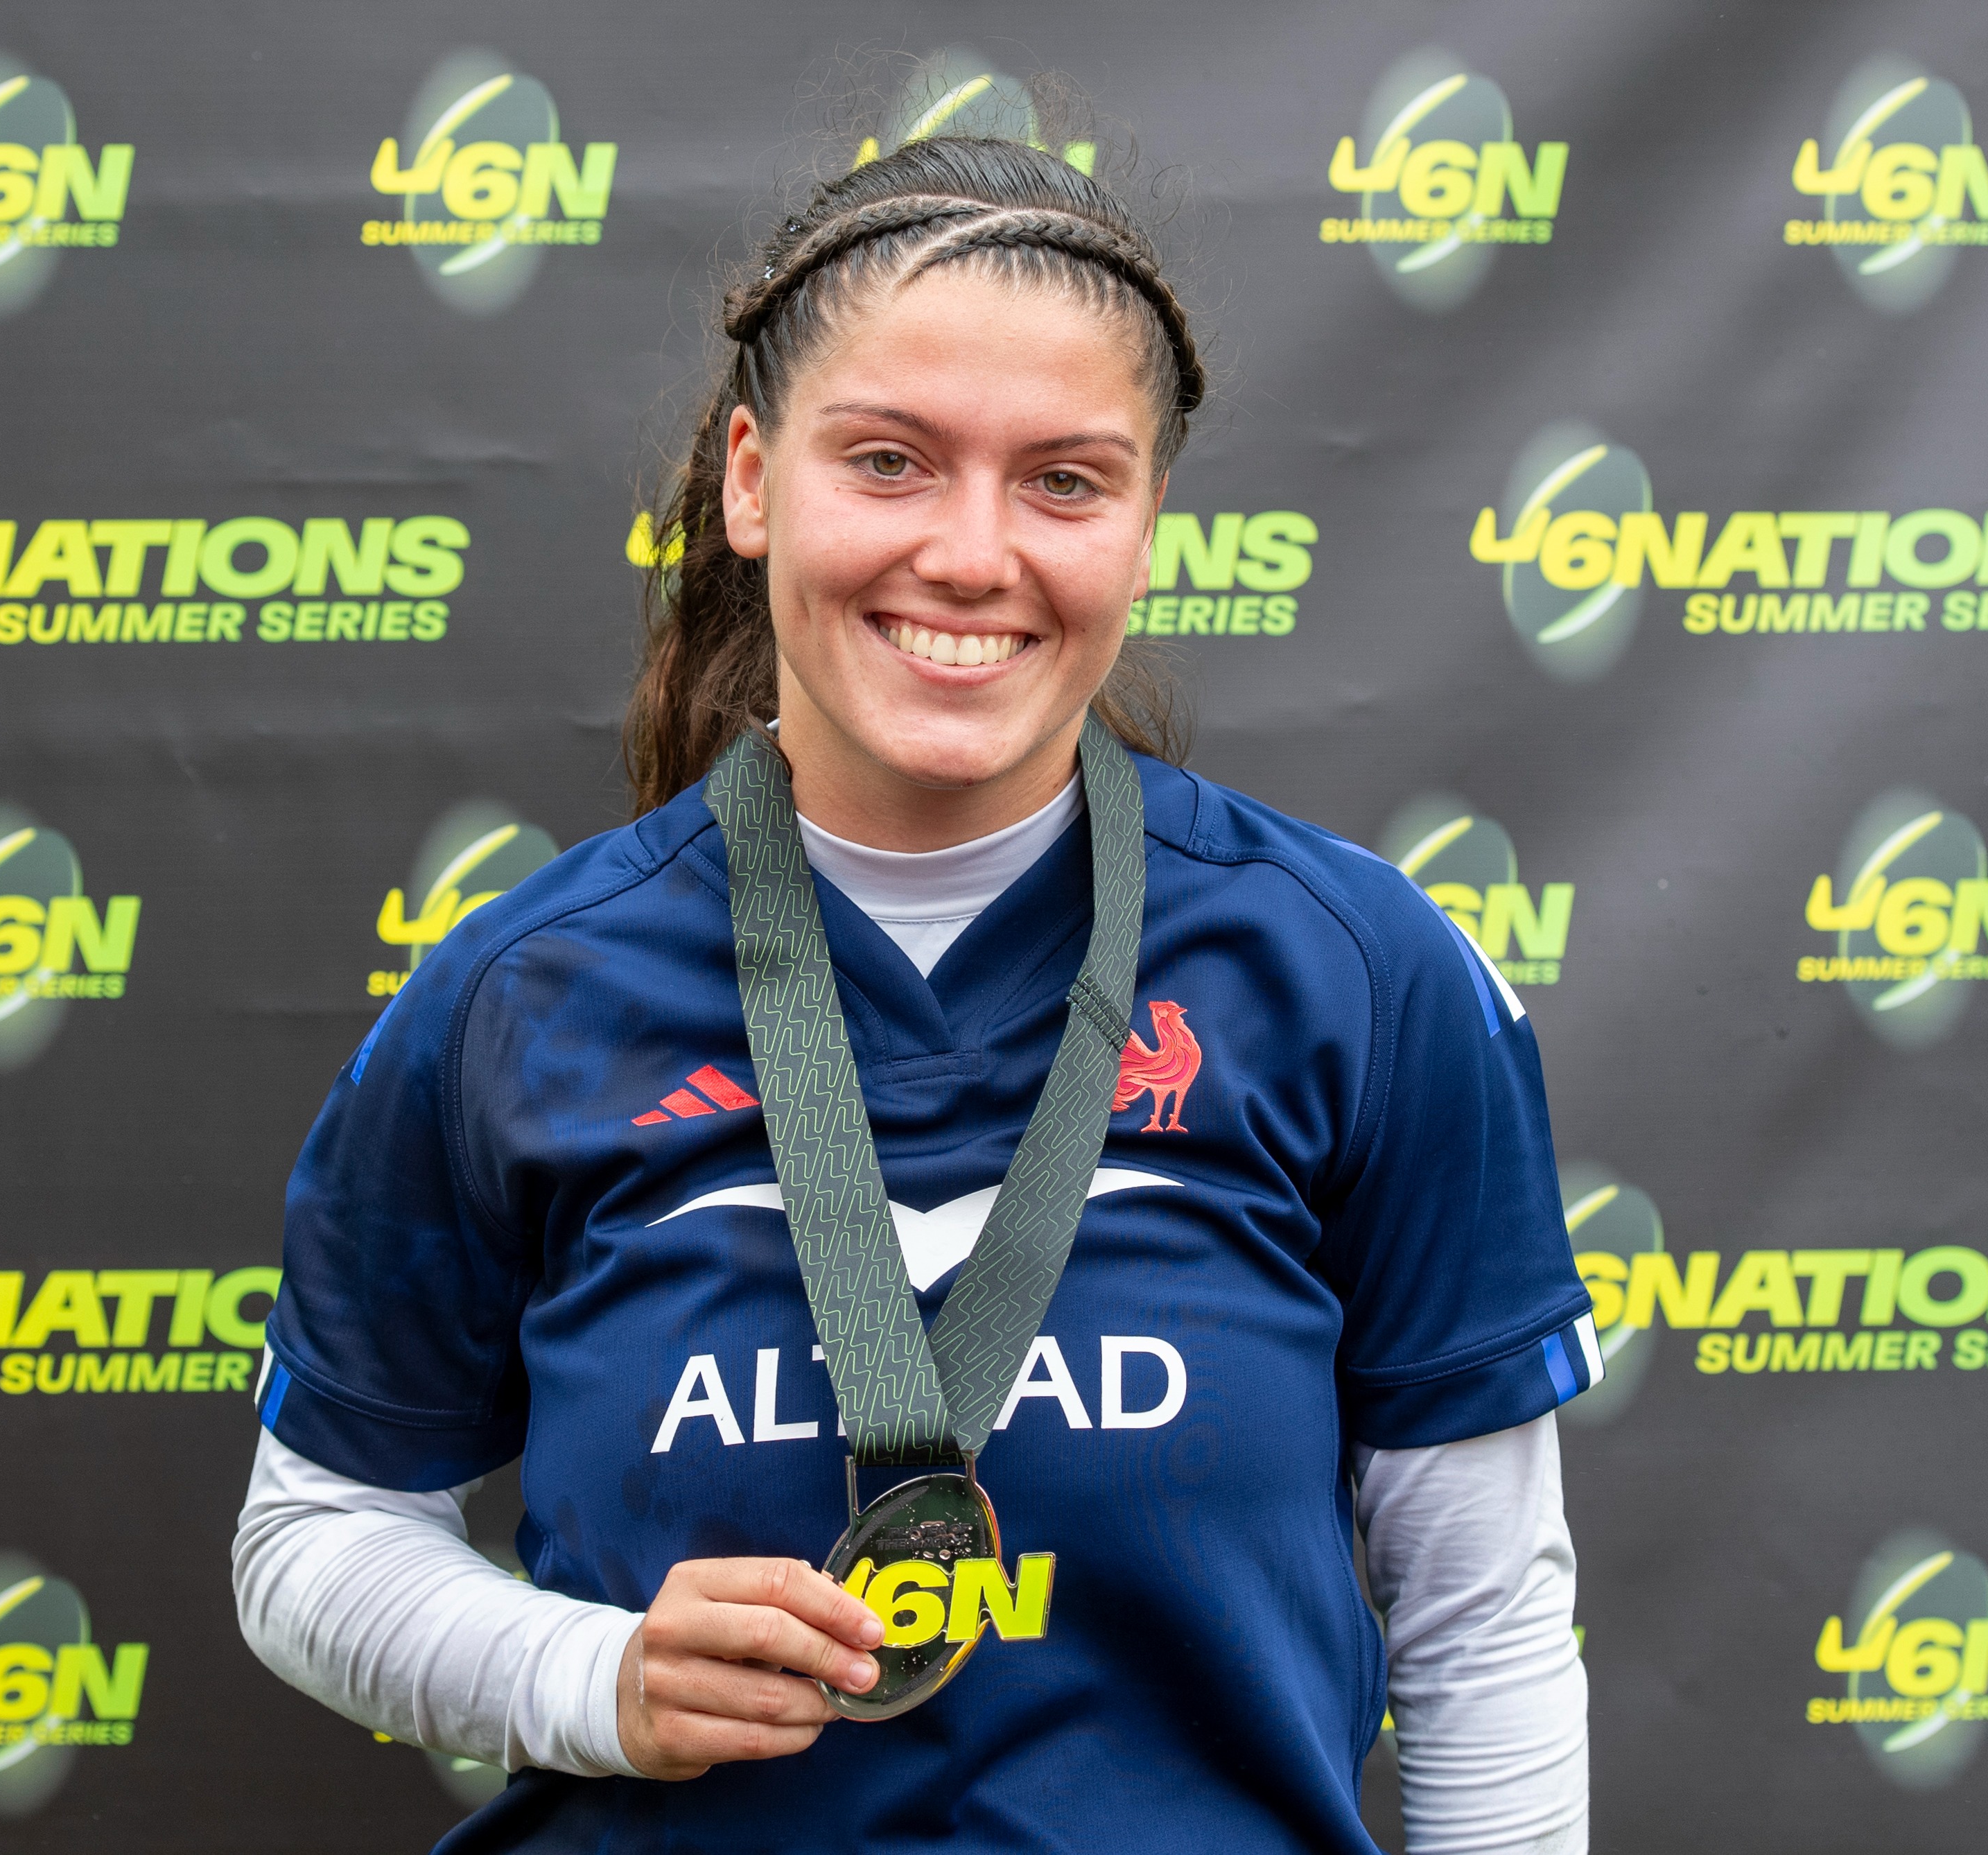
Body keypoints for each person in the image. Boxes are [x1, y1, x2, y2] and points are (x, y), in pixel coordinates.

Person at [235, 132, 1597, 1854]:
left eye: (1066, 481)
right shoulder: (525, 992)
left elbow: (1483, 1638)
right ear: (752, 480)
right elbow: (313, 1538)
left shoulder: (1362, 976)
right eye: (888, 461)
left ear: (1147, 521)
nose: (971, 553)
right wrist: (596, 1678)